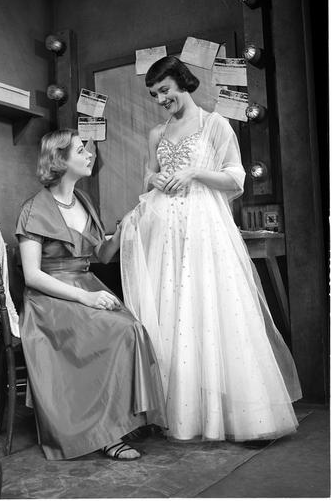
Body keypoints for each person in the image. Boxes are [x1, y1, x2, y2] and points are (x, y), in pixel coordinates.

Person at [120, 56, 302, 442]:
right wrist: (156, 179)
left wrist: (194, 173)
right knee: (172, 314)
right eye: (154, 94)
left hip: (203, 227)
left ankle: (236, 415)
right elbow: (148, 174)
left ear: (182, 82)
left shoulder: (215, 124)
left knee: (213, 308)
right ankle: (180, 413)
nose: (160, 99)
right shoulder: (157, 132)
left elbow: (236, 178)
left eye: (164, 90)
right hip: (164, 232)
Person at [15, 128, 167, 461]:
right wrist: (85, 298)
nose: (89, 155)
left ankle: (122, 421)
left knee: (132, 329)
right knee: (116, 331)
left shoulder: (84, 202)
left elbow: (102, 255)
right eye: (81, 150)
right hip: (50, 300)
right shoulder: (33, 209)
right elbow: (32, 276)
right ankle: (106, 434)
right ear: (60, 159)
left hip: (86, 285)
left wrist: (122, 230)